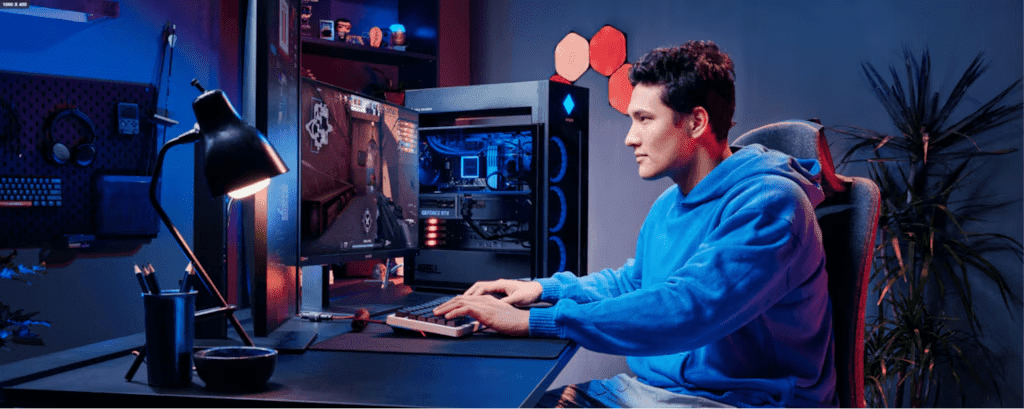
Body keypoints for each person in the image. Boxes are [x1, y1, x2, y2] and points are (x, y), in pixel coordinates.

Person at [433, 40, 837, 409]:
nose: (630, 137)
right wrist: (543, 289)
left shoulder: (771, 205)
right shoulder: (669, 203)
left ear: (696, 122)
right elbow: (634, 283)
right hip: (655, 393)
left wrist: (537, 321)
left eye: (644, 119)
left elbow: (687, 308)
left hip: (739, 402)